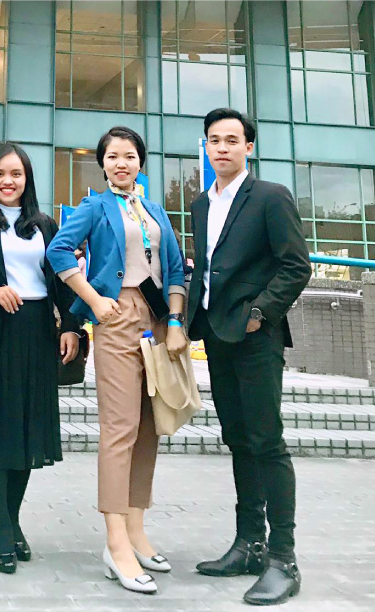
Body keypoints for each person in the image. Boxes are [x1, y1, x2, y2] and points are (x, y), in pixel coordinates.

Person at [47, 126, 187, 595]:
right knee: (121, 427)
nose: (121, 163)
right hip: (116, 317)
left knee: (149, 425)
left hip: (157, 319)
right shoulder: (94, 207)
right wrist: (93, 299)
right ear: (103, 164)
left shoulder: (155, 210)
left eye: (129, 156)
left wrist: (176, 321)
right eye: (112, 156)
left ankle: (137, 530)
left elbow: (175, 267)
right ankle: (115, 542)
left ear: (140, 162)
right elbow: (58, 250)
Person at [187, 108, 311, 606]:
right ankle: (249, 544)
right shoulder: (201, 204)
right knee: (238, 440)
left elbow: (296, 265)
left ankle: (283, 558)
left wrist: (260, 312)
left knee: (266, 442)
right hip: (217, 337)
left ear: (248, 147)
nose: (222, 147)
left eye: (231, 140)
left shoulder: (269, 196)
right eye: (214, 140)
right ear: (206, 146)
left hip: (256, 337)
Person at [0, 143, 81, 574]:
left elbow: (61, 279)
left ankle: (12, 519)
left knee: (26, 429)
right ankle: (0, 525)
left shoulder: (44, 224)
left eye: (16, 174)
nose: (8, 181)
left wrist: (71, 327)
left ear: (27, 179)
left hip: (36, 332)